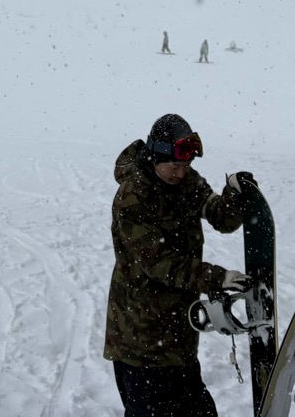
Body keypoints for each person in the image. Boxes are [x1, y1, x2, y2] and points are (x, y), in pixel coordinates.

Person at [105, 113, 255, 417]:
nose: (181, 173)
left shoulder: (187, 181)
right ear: (154, 157)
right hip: (141, 342)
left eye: (186, 166)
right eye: (174, 166)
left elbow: (220, 216)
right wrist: (217, 278)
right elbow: (160, 263)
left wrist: (234, 195)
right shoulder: (132, 197)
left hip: (177, 335)